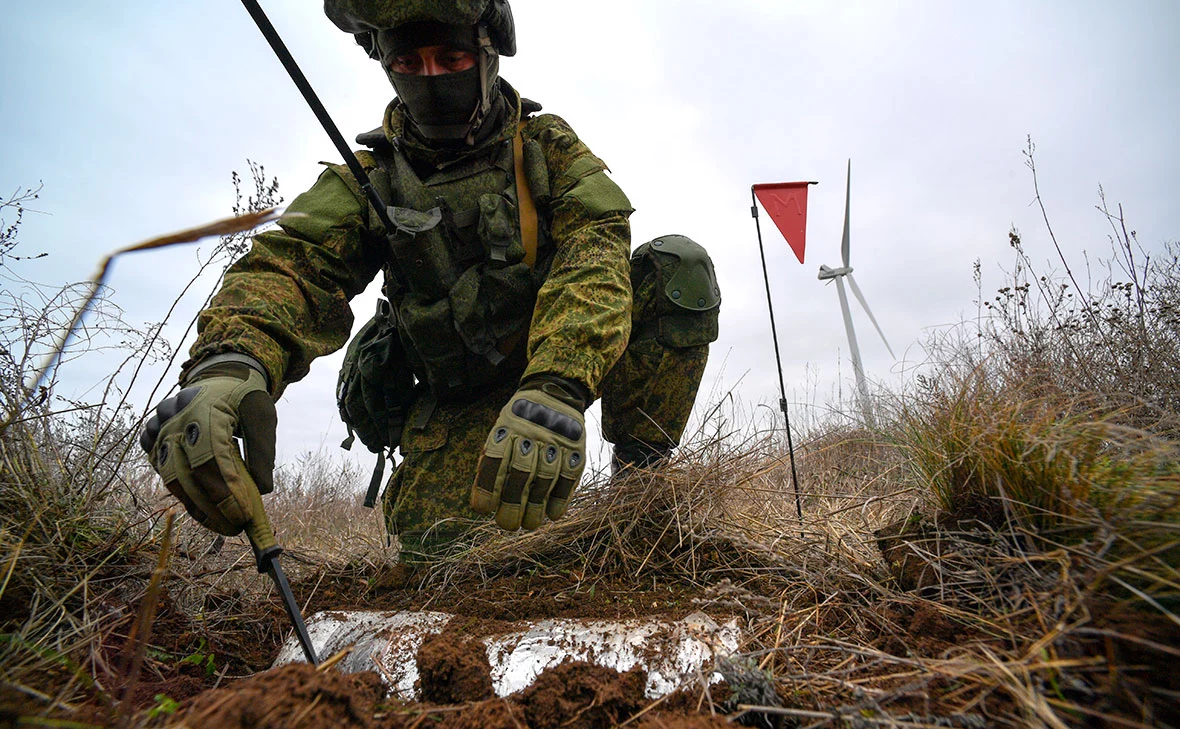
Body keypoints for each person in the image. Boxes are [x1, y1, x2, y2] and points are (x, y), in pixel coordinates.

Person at [140, 0, 721, 562]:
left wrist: (559, 382)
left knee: (678, 267)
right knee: (460, 565)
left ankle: (639, 485)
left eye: (453, 60)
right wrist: (228, 365)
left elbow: (594, 258)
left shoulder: (546, 149)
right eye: (408, 64)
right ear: (387, 66)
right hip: (459, 392)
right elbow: (292, 265)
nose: (431, 77)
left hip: (551, 366)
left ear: (489, 56)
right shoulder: (370, 178)